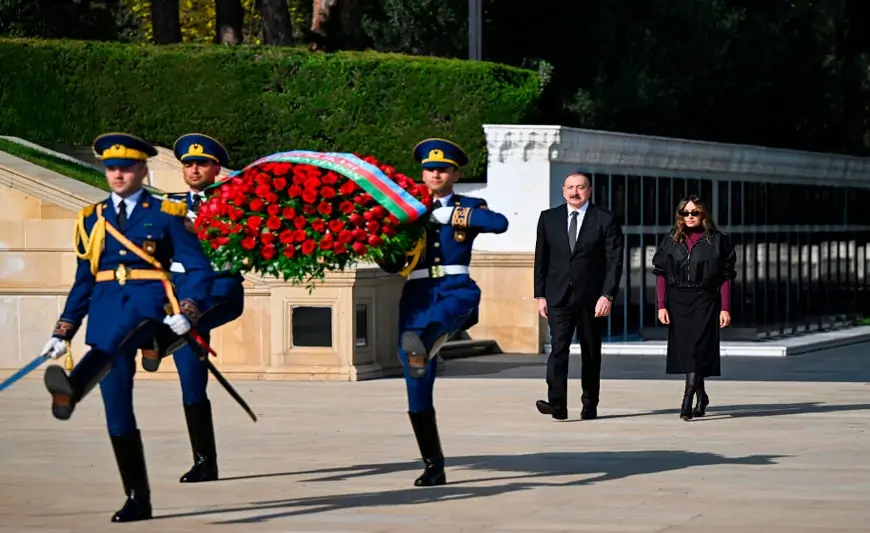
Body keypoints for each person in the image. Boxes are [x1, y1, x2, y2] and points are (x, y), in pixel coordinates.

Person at [41, 133, 214, 522]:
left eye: (126, 168)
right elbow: (83, 281)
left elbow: (200, 267)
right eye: (111, 168)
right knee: (117, 411)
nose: (118, 175)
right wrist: (63, 331)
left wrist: (189, 309)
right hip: (104, 308)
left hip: (148, 306)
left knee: (118, 339)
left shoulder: (166, 213)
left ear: (142, 169)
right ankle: (138, 498)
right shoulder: (91, 218)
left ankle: (71, 389)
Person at [375, 138, 508, 487]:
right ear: (422, 173)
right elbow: (392, 264)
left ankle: (433, 337)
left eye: (443, 169)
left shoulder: (468, 204)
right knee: (415, 381)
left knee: (440, 320)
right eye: (429, 169)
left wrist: (453, 215)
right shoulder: (406, 208)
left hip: (454, 289)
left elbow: (499, 223)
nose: (435, 173)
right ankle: (434, 464)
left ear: (455, 173)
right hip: (417, 293)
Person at [140, 133, 244, 483]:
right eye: (188, 164)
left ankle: (160, 341)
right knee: (192, 384)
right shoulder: (169, 203)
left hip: (219, 288)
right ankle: (204, 462)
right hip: (181, 288)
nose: (194, 169)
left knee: (187, 322)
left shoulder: (237, 199)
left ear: (216, 168)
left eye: (202, 163)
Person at [533, 172, 624, 421]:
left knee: (590, 352)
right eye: (570, 187)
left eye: (580, 187)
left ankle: (589, 404)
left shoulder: (604, 219)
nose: (575, 192)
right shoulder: (548, 218)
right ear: (563, 191)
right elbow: (541, 258)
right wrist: (540, 295)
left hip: (592, 298)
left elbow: (614, 261)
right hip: (558, 296)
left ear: (589, 190)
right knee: (558, 349)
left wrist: (607, 295)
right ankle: (557, 404)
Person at [652, 194, 736, 421]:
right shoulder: (671, 238)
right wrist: (661, 305)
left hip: (705, 299)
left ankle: (687, 399)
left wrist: (725, 308)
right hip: (678, 300)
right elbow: (660, 274)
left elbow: (726, 277)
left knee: (697, 349)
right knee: (687, 352)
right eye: (685, 213)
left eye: (694, 213)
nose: (690, 217)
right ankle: (702, 395)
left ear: (704, 214)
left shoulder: (718, 240)